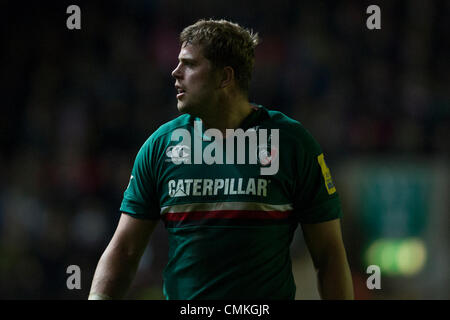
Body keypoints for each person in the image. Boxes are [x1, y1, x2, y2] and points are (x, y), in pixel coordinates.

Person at [89, 19, 354, 300]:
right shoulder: (160, 147)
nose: (175, 72)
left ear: (225, 77)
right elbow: (124, 250)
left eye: (189, 64)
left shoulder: (292, 145)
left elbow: (329, 256)